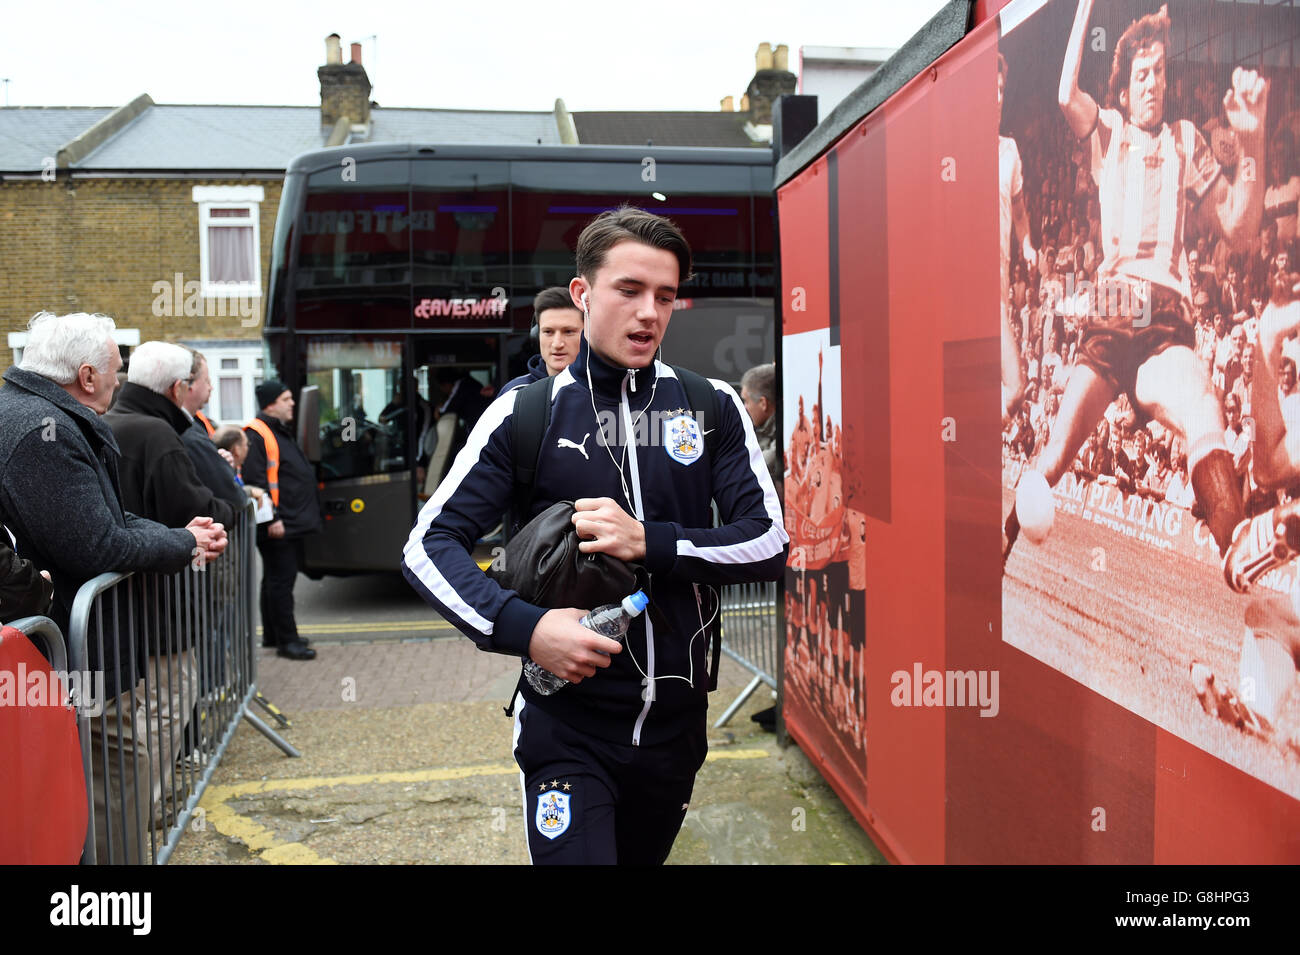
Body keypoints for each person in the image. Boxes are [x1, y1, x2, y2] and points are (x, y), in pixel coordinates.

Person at [402, 207, 787, 865]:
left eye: (664, 296)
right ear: (583, 294)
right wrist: (526, 628)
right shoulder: (527, 413)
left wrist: (653, 541)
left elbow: (770, 540)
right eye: (629, 290)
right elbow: (428, 545)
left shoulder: (712, 406)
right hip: (566, 729)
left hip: (674, 731)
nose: (649, 313)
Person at [1005, 1, 1269, 573]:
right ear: (1124, 89)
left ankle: (1237, 549)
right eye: (1141, 75)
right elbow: (1062, 94)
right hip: (1112, 311)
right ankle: (996, 550)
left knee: (1204, 405)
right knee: (1054, 457)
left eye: (1161, 72)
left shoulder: (1188, 140)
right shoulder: (1110, 131)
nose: (1154, 83)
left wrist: (1252, 144)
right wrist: (1083, 8)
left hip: (1165, 322)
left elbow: (1243, 230)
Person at [0, 312, 226, 863]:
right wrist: (184, 545)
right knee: (114, 768)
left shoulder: (33, 413)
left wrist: (176, 535)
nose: (120, 381)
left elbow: (108, 521)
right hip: (76, 653)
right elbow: (98, 545)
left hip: (64, 651)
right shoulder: (41, 432)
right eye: (115, 370)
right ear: (86, 375)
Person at [105, 341, 239, 532]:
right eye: (186, 383)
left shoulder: (107, 424)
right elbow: (192, 509)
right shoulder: (158, 434)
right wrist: (229, 511)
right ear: (177, 388)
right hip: (153, 555)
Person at [243, 380, 322, 661]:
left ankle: (275, 635)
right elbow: (255, 483)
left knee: (275, 580)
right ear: (270, 403)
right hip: (278, 524)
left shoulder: (275, 431)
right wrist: (272, 519)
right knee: (281, 581)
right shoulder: (257, 435)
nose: (292, 403)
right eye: (287, 399)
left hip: (287, 522)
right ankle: (288, 642)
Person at [999, 51, 1038, 423]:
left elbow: (1021, 210)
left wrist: (1026, 243)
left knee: (1012, 392)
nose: (995, 97)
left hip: (999, 285)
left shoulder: (1009, 150)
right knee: (1012, 388)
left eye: (1000, 90)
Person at [177, 348, 246, 513]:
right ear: (189, 384)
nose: (211, 387)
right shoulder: (188, 433)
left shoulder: (193, 424)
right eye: (207, 380)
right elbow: (233, 496)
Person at [502, 287, 584, 394]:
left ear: (588, 335)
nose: (557, 344)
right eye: (548, 332)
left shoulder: (607, 390)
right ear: (536, 336)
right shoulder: (513, 394)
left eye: (568, 331)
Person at [741, 362, 782, 504]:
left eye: (746, 401)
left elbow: (755, 465)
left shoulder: (785, 437)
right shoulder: (765, 430)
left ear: (763, 403)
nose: (744, 407)